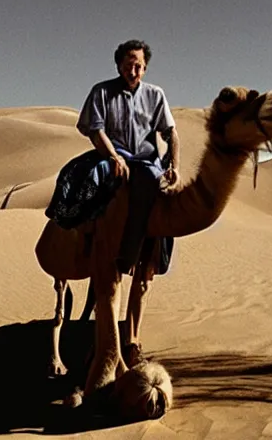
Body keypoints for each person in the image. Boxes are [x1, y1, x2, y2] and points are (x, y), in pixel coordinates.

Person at [76, 39, 180, 367]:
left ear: (145, 67)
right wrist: (112, 155)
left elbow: (171, 133)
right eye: (127, 64)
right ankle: (81, 242)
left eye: (138, 65)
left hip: (147, 161)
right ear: (118, 64)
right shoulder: (102, 92)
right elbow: (94, 129)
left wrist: (174, 164)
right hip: (114, 156)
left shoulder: (156, 95)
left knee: (160, 193)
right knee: (89, 183)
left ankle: (151, 257)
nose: (133, 70)